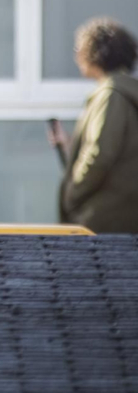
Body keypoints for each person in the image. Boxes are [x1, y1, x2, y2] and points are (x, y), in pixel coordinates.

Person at [55, 18, 138, 233]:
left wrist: (72, 194)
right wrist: (70, 146)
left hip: (102, 224)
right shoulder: (125, 92)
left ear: (94, 52)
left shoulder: (110, 95)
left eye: (79, 49)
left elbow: (99, 154)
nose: (76, 56)